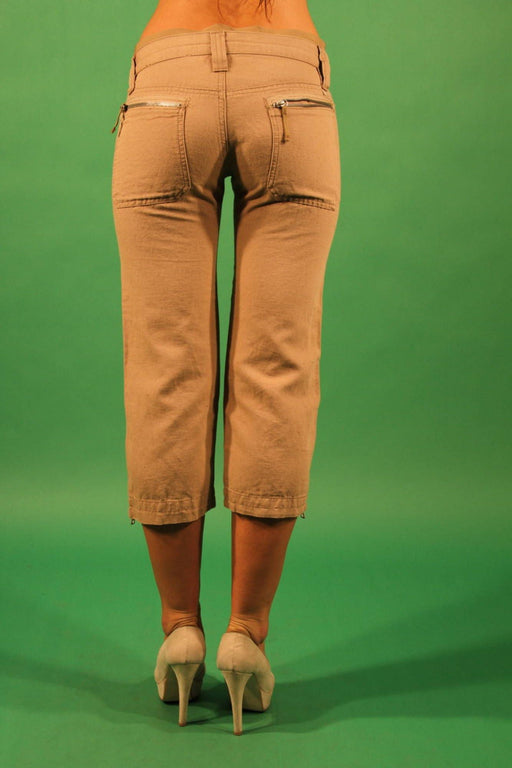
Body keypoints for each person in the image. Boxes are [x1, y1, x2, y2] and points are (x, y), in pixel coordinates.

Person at [110, 0, 341, 735]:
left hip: (167, 81)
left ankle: (180, 628)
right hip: (290, 80)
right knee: (279, 362)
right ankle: (247, 634)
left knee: (164, 364)